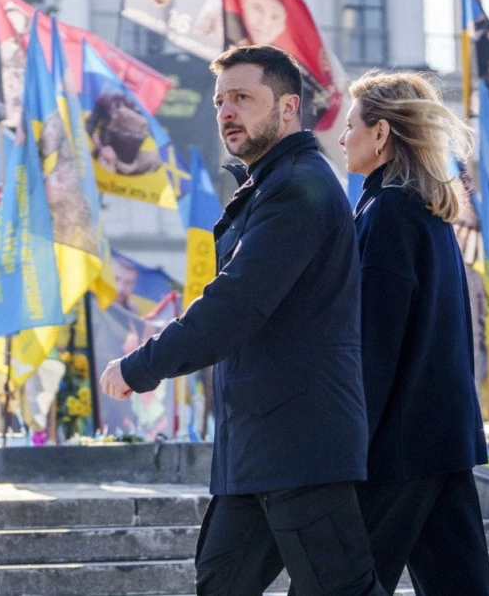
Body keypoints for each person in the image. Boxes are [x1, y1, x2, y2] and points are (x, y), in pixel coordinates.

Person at [100, 44, 383, 596]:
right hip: (257, 445)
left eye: (243, 98)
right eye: (220, 101)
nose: (227, 111)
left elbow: (234, 304)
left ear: (287, 108)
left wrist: (143, 365)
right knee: (221, 583)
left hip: (301, 443)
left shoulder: (298, 187)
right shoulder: (269, 185)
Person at [338, 71, 489, 595]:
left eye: (350, 125)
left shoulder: (388, 213)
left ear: (380, 134)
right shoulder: (423, 208)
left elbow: (375, 345)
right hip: (442, 437)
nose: (342, 137)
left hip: (399, 447)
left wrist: (348, 446)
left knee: (339, 584)